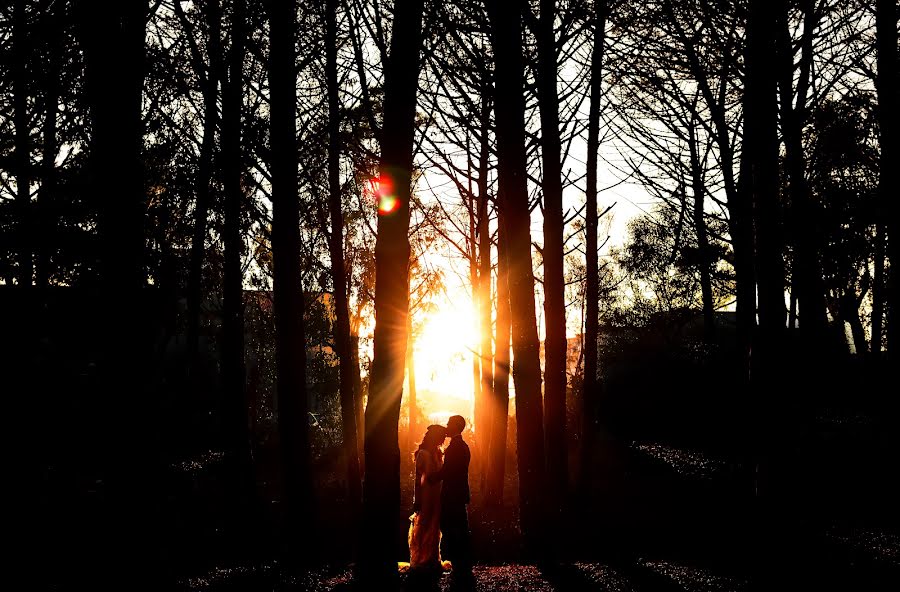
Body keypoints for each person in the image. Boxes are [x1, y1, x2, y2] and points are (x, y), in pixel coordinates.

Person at [431, 415, 473, 586]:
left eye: (449, 423)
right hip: (459, 493)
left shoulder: (455, 447)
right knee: (460, 528)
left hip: (453, 494)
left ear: (456, 426)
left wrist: (430, 478)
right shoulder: (463, 446)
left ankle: (460, 566)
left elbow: (448, 471)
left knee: (452, 528)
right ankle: (462, 565)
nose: (447, 426)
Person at [408, 424, 448, 572]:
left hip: (437, 494)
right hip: (426, 495)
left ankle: (432, 558)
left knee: (435, 525)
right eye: (442, 436)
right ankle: (420, 559)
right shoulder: (422, 454)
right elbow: (418, 480)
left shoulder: (438, 452)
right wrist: (417, 499)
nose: (444, 439)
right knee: (423, 524)